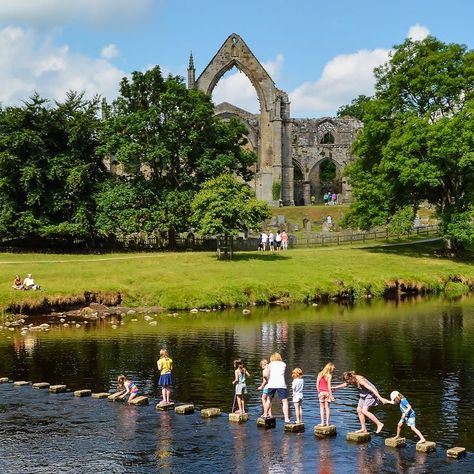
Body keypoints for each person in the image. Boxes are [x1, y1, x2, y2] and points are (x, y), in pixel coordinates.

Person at [263, 352, 290, 423]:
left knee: (269, 400)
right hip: (281, 384)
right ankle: (286, 419)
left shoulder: (270, 364)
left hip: (271, 384)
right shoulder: (284, 364)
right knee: (285, 402)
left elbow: (266, 374)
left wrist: (267, 378)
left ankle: (265, 415)